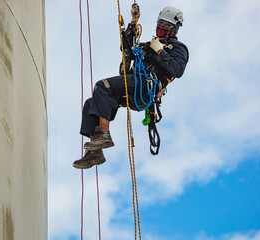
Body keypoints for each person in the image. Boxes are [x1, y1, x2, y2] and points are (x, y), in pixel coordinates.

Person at [73, 4, 189, 169]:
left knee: (102, 86)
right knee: (91, 103)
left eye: (166, 25)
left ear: (175, 28)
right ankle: (95, 152)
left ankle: (104, 135)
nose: (162, 28)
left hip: (145, 86)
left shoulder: (178, 48)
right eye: (161, 23)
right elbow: (127, 46)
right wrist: (133, 22)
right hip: (135, 89)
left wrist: (160, 52)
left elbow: (177, 70)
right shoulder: (150, 45)